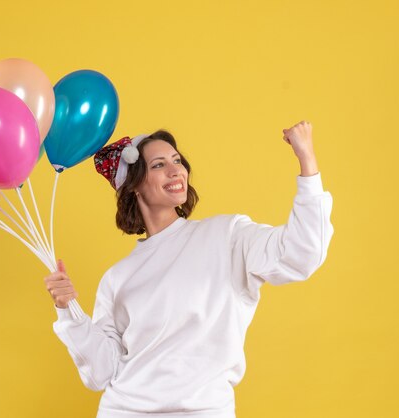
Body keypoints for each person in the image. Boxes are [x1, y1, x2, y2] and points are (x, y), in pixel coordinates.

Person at [44, 122, 334, 418]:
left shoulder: (227, 235)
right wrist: (68, 310)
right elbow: (100, 373)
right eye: (159, 165)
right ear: (134, 186)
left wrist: (307, 160)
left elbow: (302, 252)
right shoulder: (117, 277)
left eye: (177, 161)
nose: (176, 171)